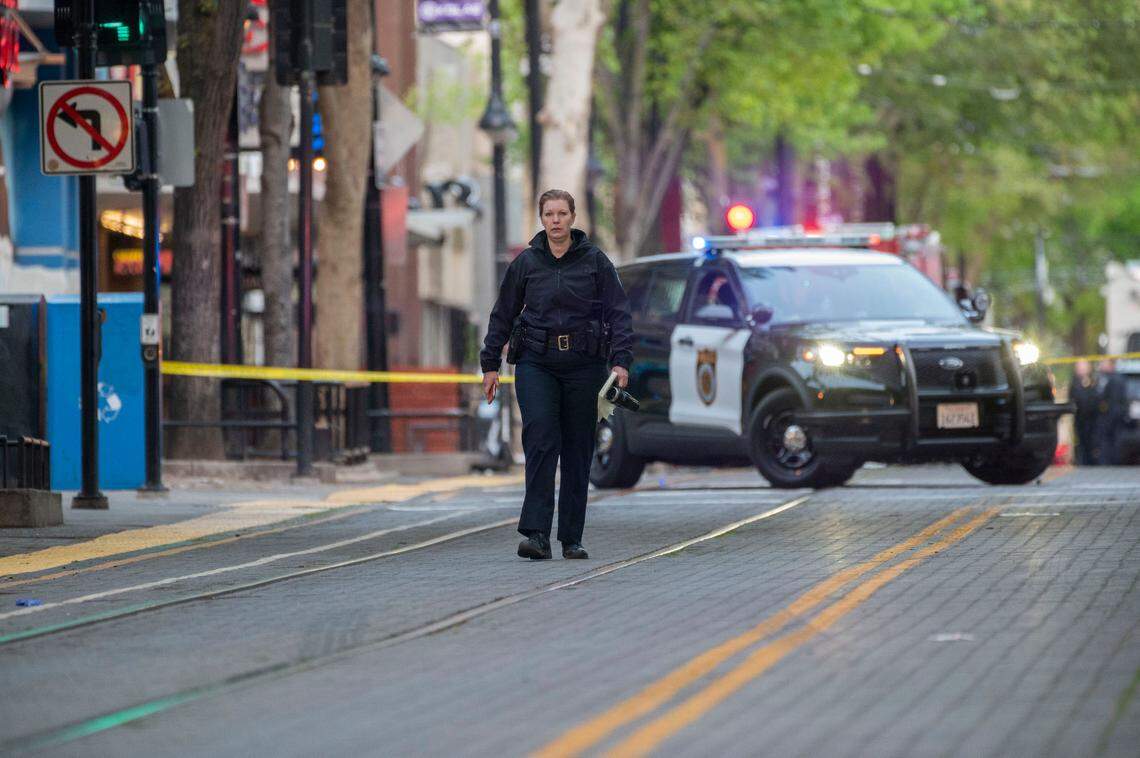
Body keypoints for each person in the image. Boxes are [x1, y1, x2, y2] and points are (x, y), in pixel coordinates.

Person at [480, 189, 634, 560]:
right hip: (537, 362)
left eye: (562, 213)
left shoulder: (596, 262)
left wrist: (621, 361)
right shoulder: (527, 264)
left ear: (573, 217)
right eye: (549, 214)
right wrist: (490, 365)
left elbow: (619, 314)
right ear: (541, 218)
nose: (556, 220)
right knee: (541, 439)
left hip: (584, 364)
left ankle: (571, 538)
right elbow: (502, 314)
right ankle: (535, 535)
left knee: (578, 449)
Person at [1094, 359, 1127, 465]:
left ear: (1110, 365)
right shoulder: (1121, 378)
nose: (1101, 366)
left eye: (1104, 363)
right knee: (1116, 439)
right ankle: (1115, 461)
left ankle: (1106, 462)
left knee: (1105, 439)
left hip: (1108, 415)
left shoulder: (1106, 378)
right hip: (1119, 414)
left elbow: (1101, 396)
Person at [1069, 359, 1099, 465]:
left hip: (1092, 418)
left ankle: (1092, 461)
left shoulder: (1093, 381)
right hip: (1080, 417)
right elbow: (1072, 398)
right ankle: (1081, 461)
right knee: (1080, 441)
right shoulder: (1074, 382)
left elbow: (1096, 398)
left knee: (1092, 441)